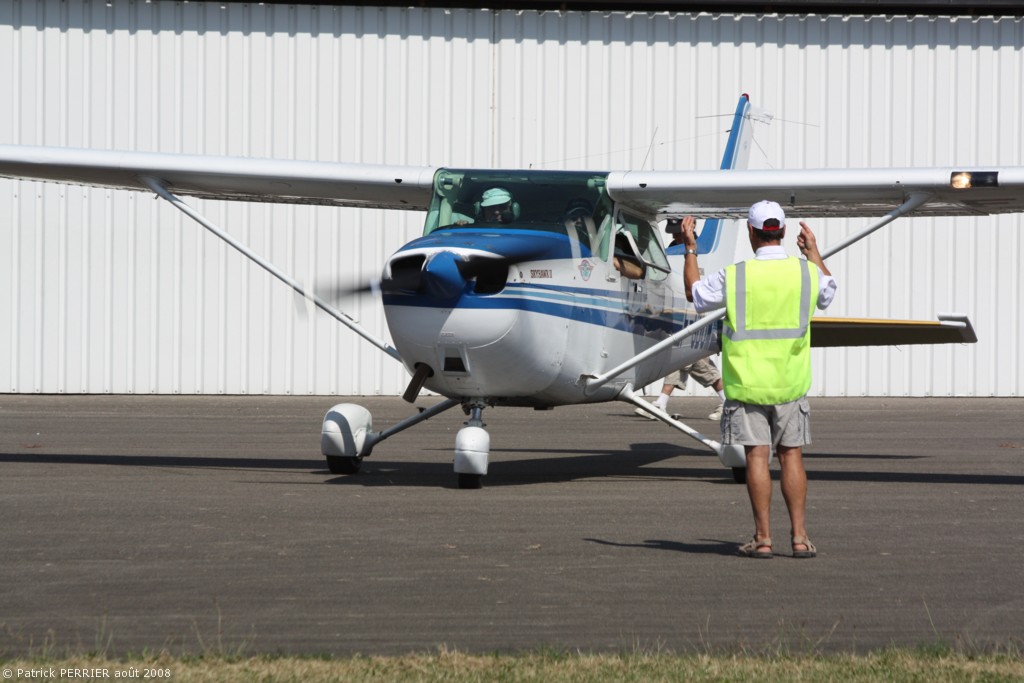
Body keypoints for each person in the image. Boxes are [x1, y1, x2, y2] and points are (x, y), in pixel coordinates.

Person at [682, 201, 836, 559]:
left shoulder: (736, 275)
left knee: (757, 457)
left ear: (751, 233)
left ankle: (763, 538)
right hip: (790, 382)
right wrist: (813, 251)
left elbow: (695, 294)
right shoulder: (805, 274)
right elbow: (828, 292)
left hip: (747, 384)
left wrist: (690, 246)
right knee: (791, 456)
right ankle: (799, 538)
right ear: (782, 232)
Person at [634, 359, 726, 421]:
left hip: (695, 335)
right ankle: (727, 404)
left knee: (684, 360)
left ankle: (660, 405)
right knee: (695, 362)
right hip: (684, 335)